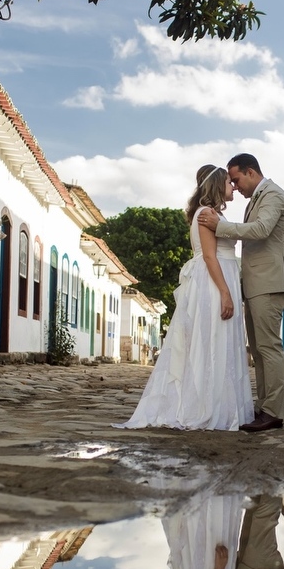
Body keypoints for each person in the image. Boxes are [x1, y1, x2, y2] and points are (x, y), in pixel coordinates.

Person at [113, 165, 254, 430]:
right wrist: (225, 293)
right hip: (214, 283)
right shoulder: (206, 214)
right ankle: (205, 407)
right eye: (228, 182)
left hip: (218, 278)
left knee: (217, 342)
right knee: (212, 341)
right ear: (216, 185)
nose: (233, 186)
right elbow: (210, 256)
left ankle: (218, 404)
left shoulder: (210, 214)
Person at [198, 154, 284, 432]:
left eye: (237, 180)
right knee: (259, 350)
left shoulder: (273, 194)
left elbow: (262, 230)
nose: (235, 187)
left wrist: (220, 227)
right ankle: (265, 407)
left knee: (268, 348)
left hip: (270, 283)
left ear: (250, 172)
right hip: (256, 284)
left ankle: (273, 412)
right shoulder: (257, 199)